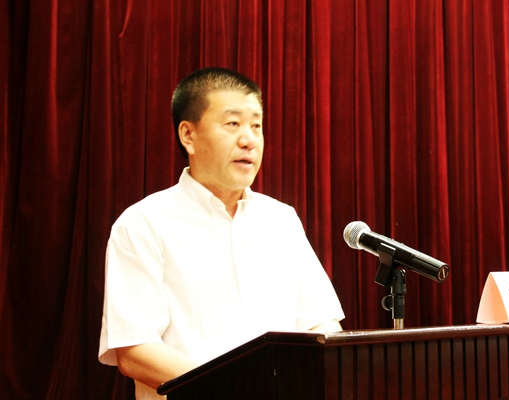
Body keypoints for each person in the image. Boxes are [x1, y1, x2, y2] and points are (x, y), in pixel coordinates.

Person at [98, 67, 345, 399]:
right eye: (232, 124)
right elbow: (135, 350)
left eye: (256, 126)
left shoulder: (281, 219)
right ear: (188, 135)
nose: (249, 140)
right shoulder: (143, 224)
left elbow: (320, 324)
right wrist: (237, 387)